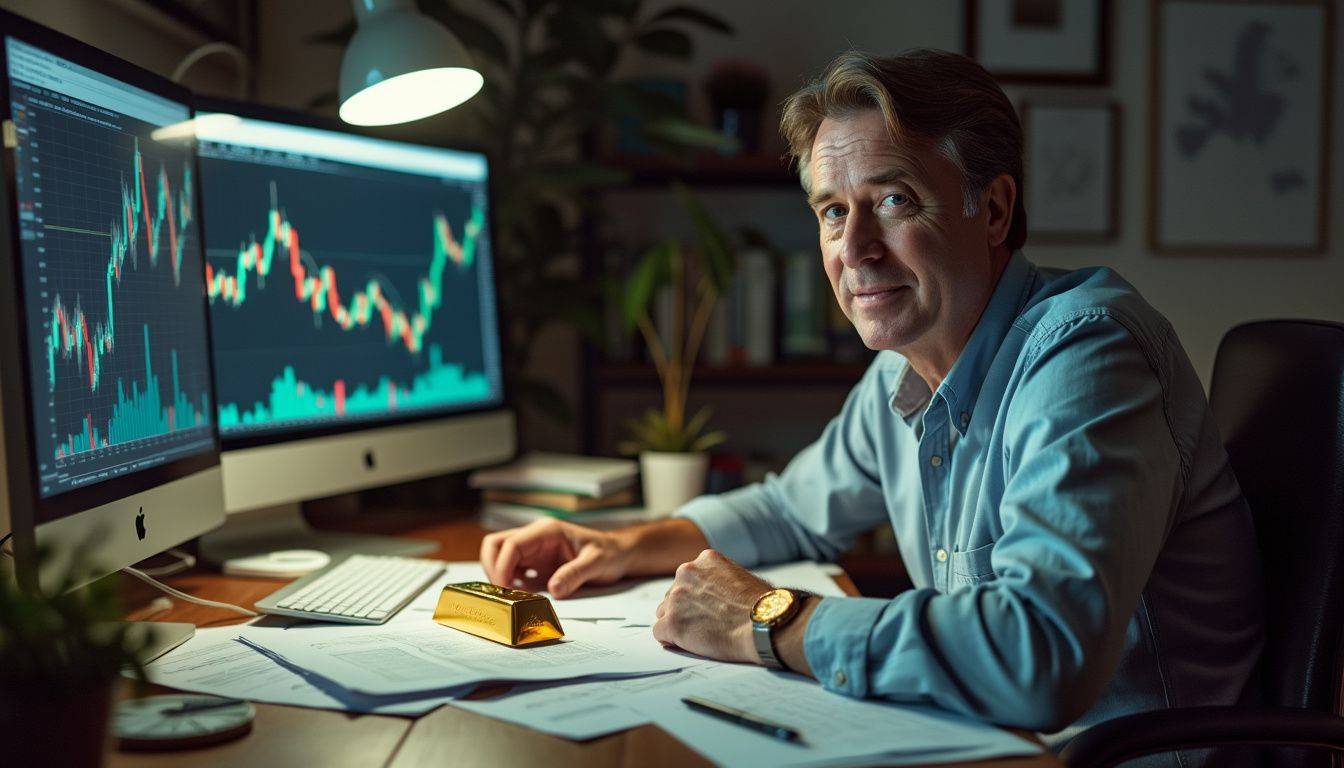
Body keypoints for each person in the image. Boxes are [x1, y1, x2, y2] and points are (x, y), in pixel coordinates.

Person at [480, 50, 1263, 764]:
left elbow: (1043, 655)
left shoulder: (1085, 354)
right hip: (993, 747)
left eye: (893, 200)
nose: (854, 248)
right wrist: (619, 544)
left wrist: (771, 619)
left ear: (991, 211)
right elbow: (790, 510)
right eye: (830, 210)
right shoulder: (905, 369)